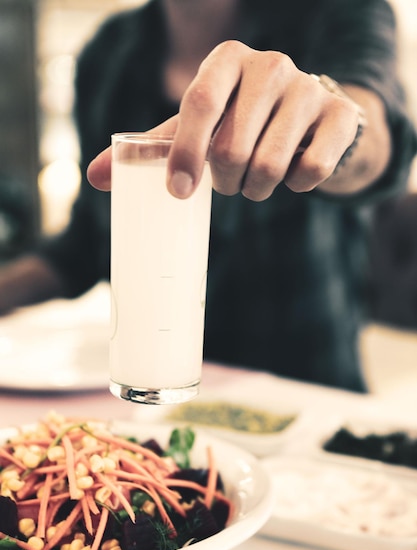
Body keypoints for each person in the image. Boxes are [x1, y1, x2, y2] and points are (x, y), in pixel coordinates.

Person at [0, 0, 416, 392]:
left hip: (303, 398)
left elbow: (377, 144)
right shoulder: (107, 52)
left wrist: (336, 126)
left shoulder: (339, 10)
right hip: (163, 397)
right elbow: (89, 242)